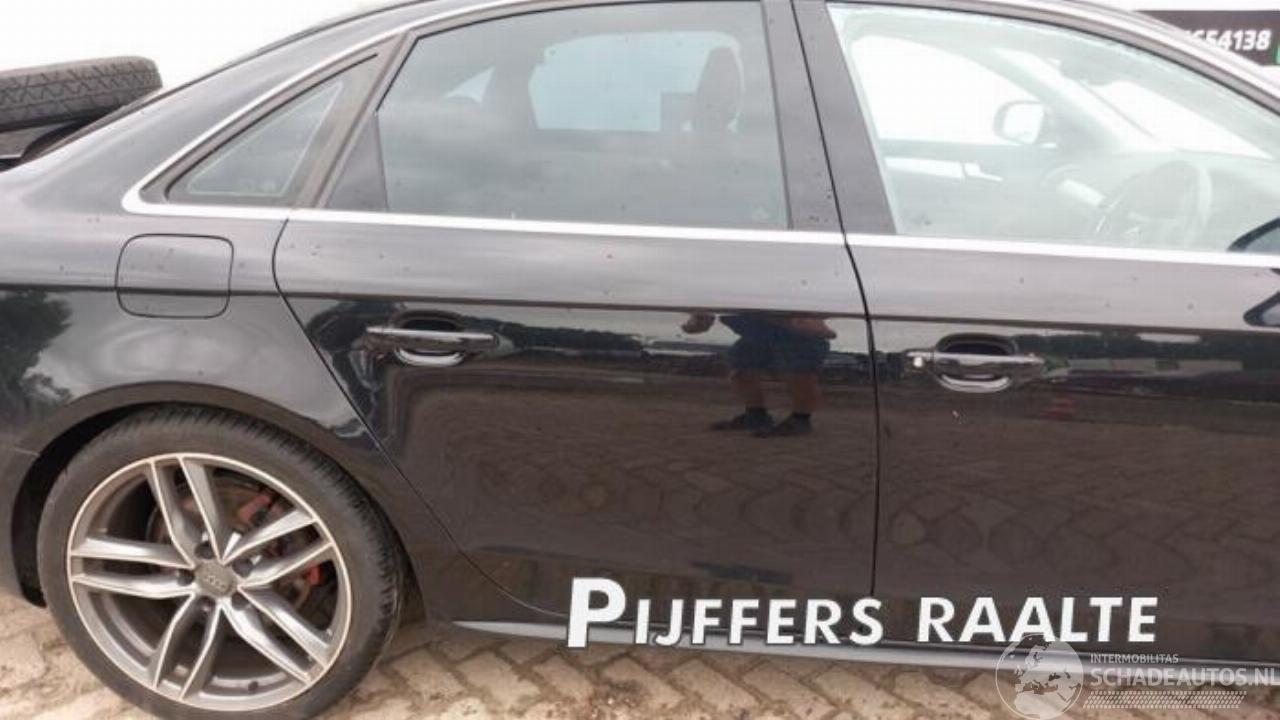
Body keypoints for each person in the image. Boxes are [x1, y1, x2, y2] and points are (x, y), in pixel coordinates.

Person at [682, 312, 835, 437]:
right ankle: (755, 415)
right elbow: (700, 323)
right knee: (740, 365)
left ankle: (800, 420)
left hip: (797, 336)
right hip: (757, 337)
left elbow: (818, 327)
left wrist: (806, 324)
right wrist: (694, 323)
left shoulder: (769, 291)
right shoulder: (721, 293)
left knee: (799, 371)